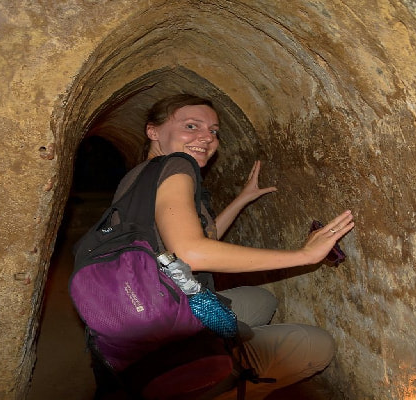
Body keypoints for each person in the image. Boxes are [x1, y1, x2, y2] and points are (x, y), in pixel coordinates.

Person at [111, 94, 355, 399]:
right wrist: (303, 255)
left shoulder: (138, 177)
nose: (207, 137)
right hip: (174, 335)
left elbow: (199, 240)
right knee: (318, 345)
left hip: (144, 315)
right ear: (153, 131)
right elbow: (191, 253)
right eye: (191, 126)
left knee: (262, 300)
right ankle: (219, 389)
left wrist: (241, 199)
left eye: (213, 131)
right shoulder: (176, 165)